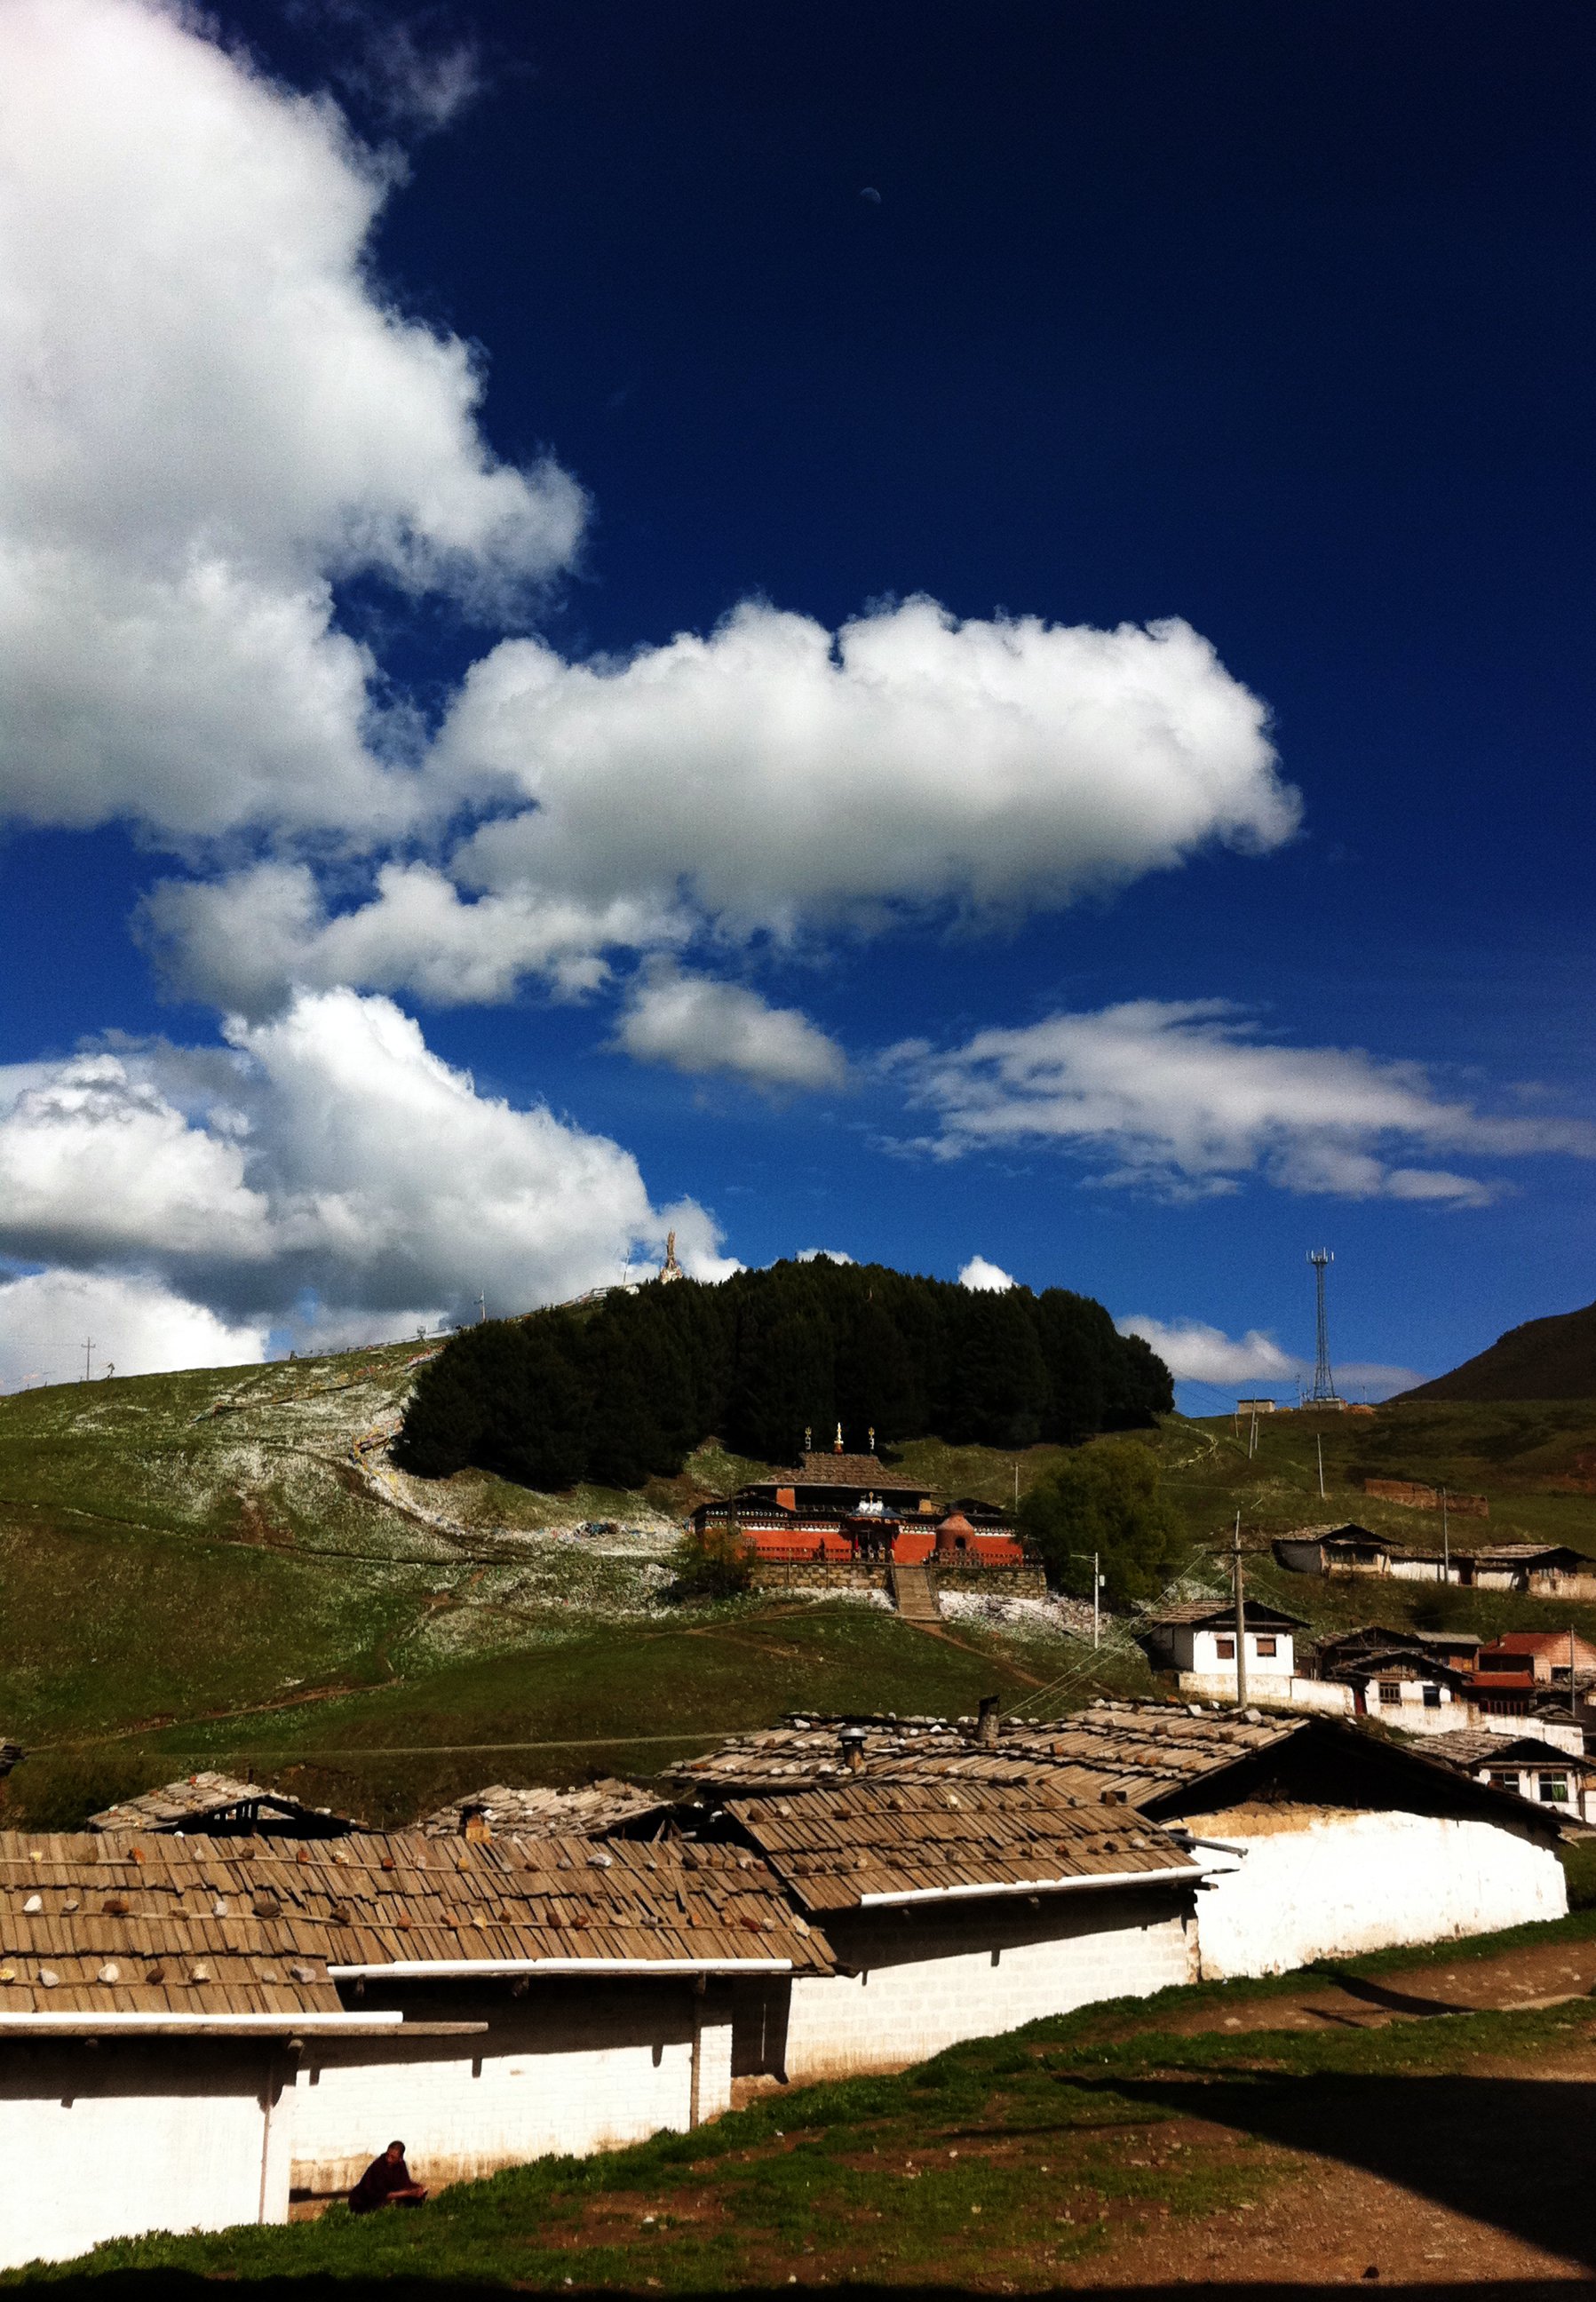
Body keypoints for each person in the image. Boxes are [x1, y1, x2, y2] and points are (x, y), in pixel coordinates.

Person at [347, 2140, 427, 2214]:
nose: (389, 2159)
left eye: (393, 2157)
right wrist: (406, 2193)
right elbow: (381, 2194)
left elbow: (404, 2183)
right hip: (365, 2200)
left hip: (389, 2196)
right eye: (388, 2155)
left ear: (400, 2158)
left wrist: (417, 2188)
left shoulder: (401, 2165)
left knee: (415, 2198)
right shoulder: (378, 2166)